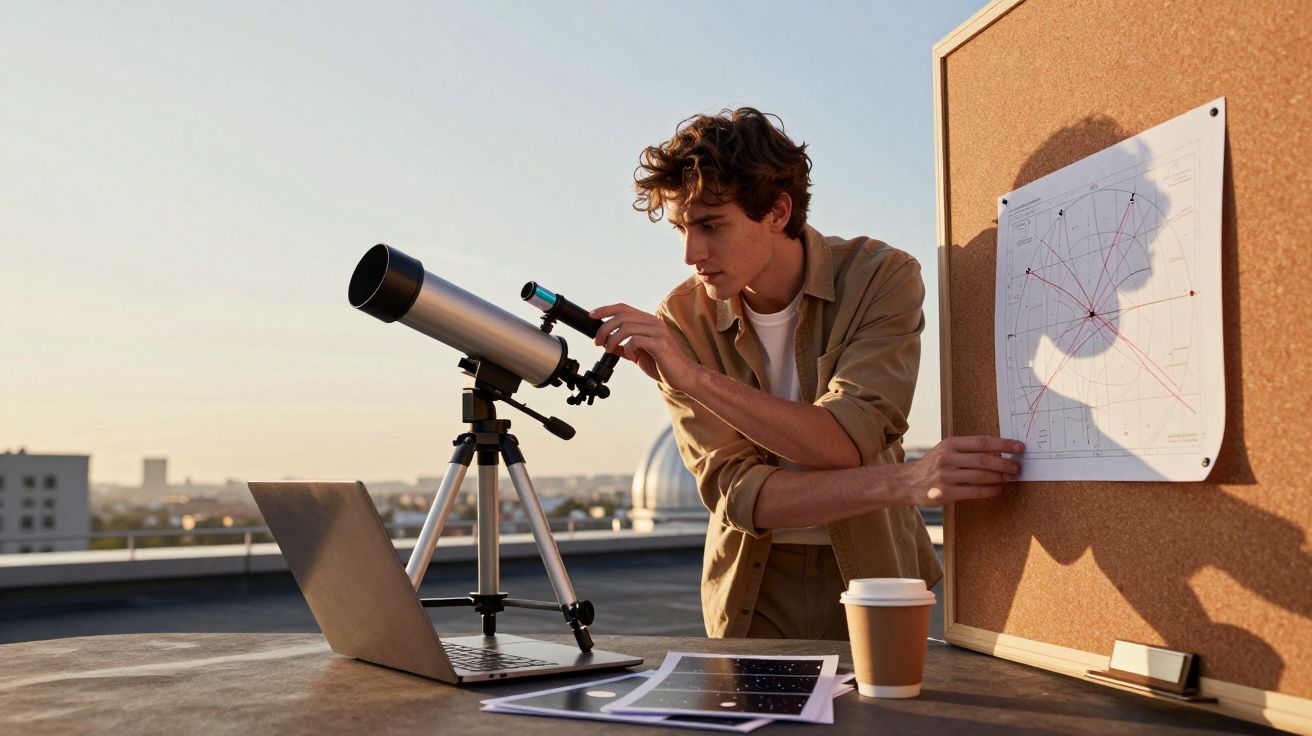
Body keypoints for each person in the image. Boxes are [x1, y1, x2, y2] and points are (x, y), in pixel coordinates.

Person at [590, 107, 1023, 640]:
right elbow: (742, 497)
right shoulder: (681, 320)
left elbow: (845, 440)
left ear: (776, 210)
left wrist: (696, 380)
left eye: (710, 226)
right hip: (752, 590)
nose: (690, 254)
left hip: (876, 573)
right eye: (682, 228)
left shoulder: (880, 278)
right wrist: (909, 482)